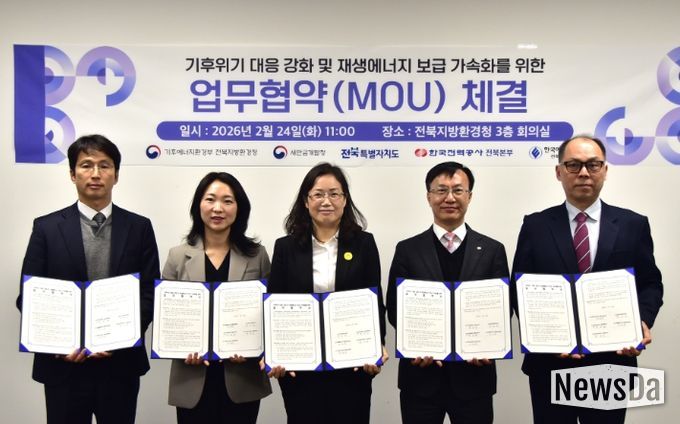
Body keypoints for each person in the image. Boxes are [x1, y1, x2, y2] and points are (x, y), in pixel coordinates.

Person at [511, 135, 663, 424]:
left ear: (605, 170)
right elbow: (520, 288)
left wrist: (641, 321)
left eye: (593, 165)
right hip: (551, 365)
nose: (583, 173)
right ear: (559, 172)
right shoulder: (535, 225)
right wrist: (544, 337)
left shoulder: (633, 224)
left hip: (612, 362)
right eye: (573, 165)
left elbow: (650, 283)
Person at [17, 134, 160, 424]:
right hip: (64, 367)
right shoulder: (46, 228)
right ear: (73, 174)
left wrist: (120, 338)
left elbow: (149, 293)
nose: (96, 174)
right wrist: (59, 345)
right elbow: (29, 295)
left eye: (104, 166)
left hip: (120, 365)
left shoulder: (139, 227)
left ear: (116, 175)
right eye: (86, 165)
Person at [386, 161, 509, 424]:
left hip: (474, 379)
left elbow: (502, 310)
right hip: (420, 378)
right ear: (429, 196)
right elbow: (395, 309)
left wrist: (488, 345)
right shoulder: (407, 250)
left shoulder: (492, 250)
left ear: (469, 196)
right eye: (441, 190)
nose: (449, 198)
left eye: (458, 190)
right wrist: (415, 344)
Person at [267, 162, 388, 424]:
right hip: (301, 367)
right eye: (318, 194)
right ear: (306, 200)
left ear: (345, 200)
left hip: (351, 365)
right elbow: (275, 303)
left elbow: (374, 301)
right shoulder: (286, 247)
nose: (326, 201)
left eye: (334, 194)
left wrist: (375, 347)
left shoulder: (364, 244)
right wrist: (274, 354)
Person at [162, 172, 272, 423]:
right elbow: (167, 318)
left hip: (242, 380)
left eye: (227, 201)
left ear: (239, 208)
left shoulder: (257, 255)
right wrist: (181, 346)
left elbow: (268, 314)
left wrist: (253, 348)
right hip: (191, 379)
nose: (218, 208)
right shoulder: (177, 256)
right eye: (210, 199)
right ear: (198, 205)